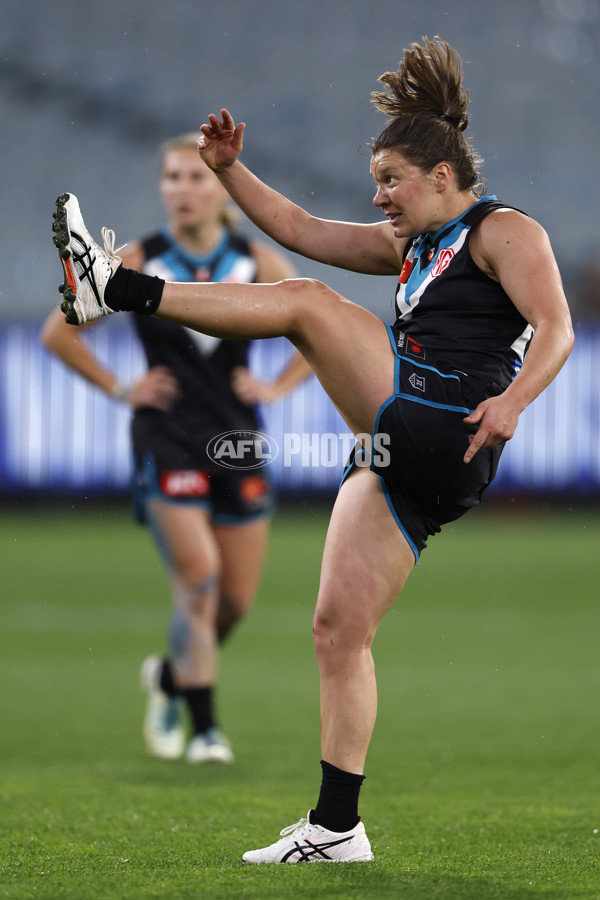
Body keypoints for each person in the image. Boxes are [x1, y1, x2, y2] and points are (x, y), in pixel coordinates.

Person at [50, 37, 574, 862]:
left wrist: (514, 401)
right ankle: (336, 828)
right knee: (337, 631)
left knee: (306, 304)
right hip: (407, 451)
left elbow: (558, 327)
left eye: (391, 179)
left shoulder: (502, 229)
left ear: (442, 175)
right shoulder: (413, 244)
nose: (379, 195)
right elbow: (298, 227)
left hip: (447, 416)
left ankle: (113, 286)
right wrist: (230, 172)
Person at [42, 133, 310, 765]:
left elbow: (317, 323)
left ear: (223, 190)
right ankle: (207, 730)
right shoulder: (138, 257)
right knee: (200, 581)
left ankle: (169, 676)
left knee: (234, 603)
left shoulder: (256, 260)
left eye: (195, 177)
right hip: (165, 437)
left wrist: (274, 386)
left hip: (238, 441)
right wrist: (122, 387)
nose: (181, 189)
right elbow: (60, 332)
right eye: (171, 177)